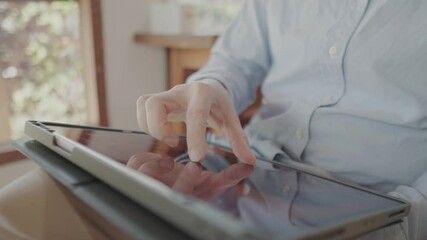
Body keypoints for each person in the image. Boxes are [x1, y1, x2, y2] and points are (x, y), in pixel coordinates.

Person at [136, 1, 427, 240]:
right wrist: (213, 86)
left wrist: (404, 222)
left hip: (369, 215)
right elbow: (235, 61)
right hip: (242, 181)